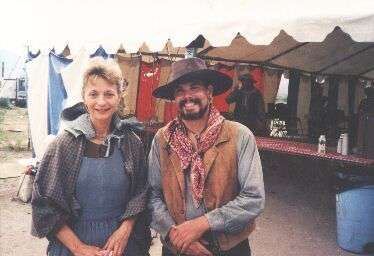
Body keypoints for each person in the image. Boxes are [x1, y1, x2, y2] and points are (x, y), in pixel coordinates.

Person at [31, 58, 150, 256]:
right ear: (84, 98)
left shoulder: (131, 142)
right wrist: (79, 248)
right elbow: (44, 204)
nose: (101, 102)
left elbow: (142, 192)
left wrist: (126, 229)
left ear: (119, 97)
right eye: (93, 94)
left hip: (123, 246)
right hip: (73, 246)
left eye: (109, 94)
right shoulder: (64, 144)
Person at [148, 57, 265, 256]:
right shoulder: (162, 139)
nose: (187, 96)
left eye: (194, 88)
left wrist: (202, 224)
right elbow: (152, 195)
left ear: (209, 93)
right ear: (174, 98)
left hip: (229, 247)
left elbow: (253, 199)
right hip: (176, 247)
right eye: (180, 91)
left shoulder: (239, 135)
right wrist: (175, 234)